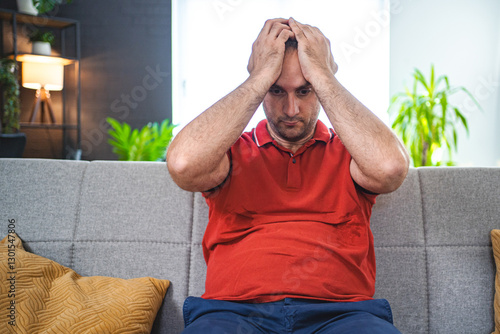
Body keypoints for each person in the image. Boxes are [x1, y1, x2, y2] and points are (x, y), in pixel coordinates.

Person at [167, 17, 409, 334]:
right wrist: (259, 77)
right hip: (233, 316)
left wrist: (324, 75)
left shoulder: (350, 153)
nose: (291, 109)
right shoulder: (231, 153)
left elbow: (390, 169)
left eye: (305, 90)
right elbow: (183, 164)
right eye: (277, 90)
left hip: (343, 317)